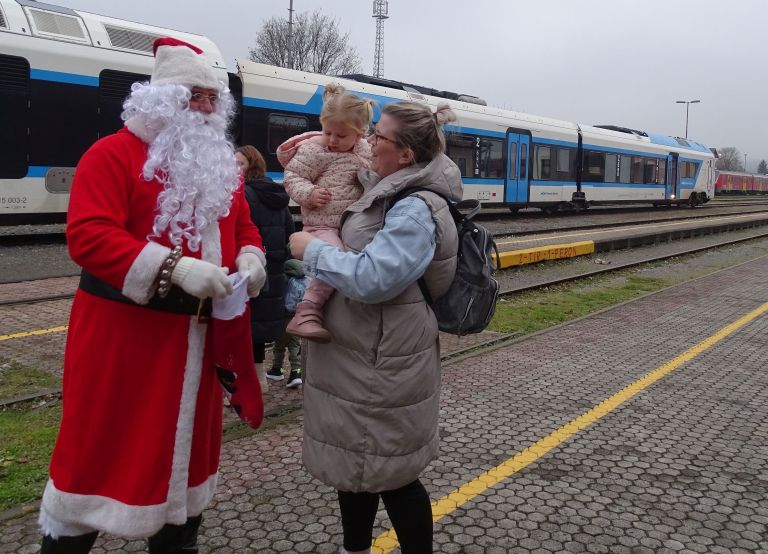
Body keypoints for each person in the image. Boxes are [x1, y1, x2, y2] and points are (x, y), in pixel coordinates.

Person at [38, 37, 268, 553]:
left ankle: (177, 539)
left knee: (184, 464)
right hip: (124, 344)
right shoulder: (111, 154)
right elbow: (89, 235)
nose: (206, 107)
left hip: (199, 346)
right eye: (194, 95)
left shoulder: (222, 168)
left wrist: (251, 260)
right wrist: (176, 269)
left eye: (213, 97)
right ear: (161, 97)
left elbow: (246, 228)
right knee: (98, 453)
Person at [289, 101, 462, 554]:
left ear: (405, 155)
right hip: (362, 356)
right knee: (355, 471)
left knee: (393, 476)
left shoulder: (414, 208)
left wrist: (311, 250)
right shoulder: (390, 188)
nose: (369, 143)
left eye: (379, 136)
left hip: (380, 362)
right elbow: (340, 168)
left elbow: (375, 278)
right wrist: (315, 146)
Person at [276, 84, 373, 343]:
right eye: (327, 131)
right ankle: (306, 311)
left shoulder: (366, 150)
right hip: (321, 226)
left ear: (360, 134)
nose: (331, 140)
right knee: (332, 259)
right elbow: (293, 176)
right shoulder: (315, 149)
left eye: (340, 136)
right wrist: (309, 194)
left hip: (348, 224)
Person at [235, 145, 295, 394]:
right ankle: (258, 380)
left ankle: (245, 383)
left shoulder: (244, 195)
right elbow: (290, 233)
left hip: (249, 268)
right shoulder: (276, 194)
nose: (233, 168)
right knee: (257, 328)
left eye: (239, 163)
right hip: (272, 268)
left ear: (251, 166)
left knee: (242, 326)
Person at [267, 258, 309, 388]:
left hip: (284, 316)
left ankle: (278, 370)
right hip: (297, 314)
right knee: (295, 343)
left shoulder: (283, 278)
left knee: (279, 344)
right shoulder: (302, 279)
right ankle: (296, 371)